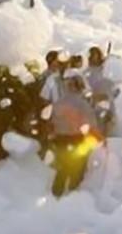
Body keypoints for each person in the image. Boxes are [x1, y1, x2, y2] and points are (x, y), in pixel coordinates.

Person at [49, 68, 101, 197]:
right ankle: (73, 195)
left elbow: (52, 121)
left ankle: (56, 194)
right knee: (77, 168)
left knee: (62, 168)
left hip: (60, 139)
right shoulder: (82, 104)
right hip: (77, 139)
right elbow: (90, 123)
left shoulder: (58, 103)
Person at [85, 46, 118, 134]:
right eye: (91, 56)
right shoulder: (86, 73)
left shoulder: (107, 71)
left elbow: (115, 91)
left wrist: (107, 95)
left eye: (95, 56)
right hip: (93, 106)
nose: (93, 59)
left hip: (107, 106)